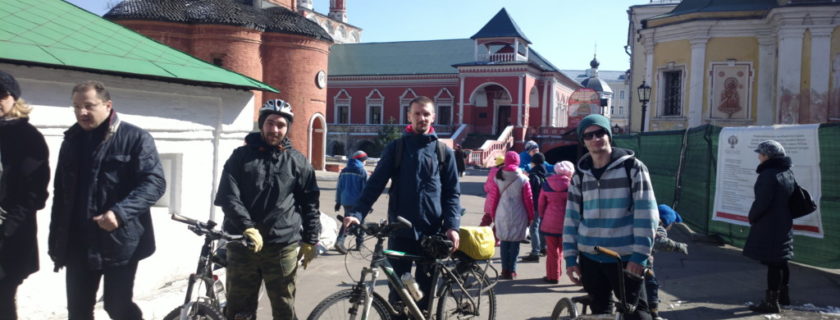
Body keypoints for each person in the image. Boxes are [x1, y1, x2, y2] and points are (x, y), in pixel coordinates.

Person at [48, 80, 166, 320]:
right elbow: (61, 194)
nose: (82, 112)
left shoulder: (135, 138)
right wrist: (56, 240)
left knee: (117, 307)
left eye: (89, 106)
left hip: (119, 242)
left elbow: (154, 183)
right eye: (76, 106)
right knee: (78, 312)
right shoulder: (71, 141)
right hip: (78, 243)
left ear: (108, 105)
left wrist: (120, 213)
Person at [343, 96, 461, 315]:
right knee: (398, 296)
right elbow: (375, 183)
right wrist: (357, 213)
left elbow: (452, 193)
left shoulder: (443, 152)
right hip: (400, 230)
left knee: (424, 296)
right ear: (409, 116)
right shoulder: (396, 148)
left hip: (431, 232)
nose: (421, 118)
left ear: (433, 117)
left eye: (426, 114)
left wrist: (452, 226)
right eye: (417, 113)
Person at [214, 99, 321, 319]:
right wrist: (247, 227)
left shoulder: (297, 162)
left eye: (281, 125)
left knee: (283, 308)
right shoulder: (240, 157)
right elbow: (228, 196)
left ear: (287, 128)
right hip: (243, 245)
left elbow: (310, 202)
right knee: (238, 310)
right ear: (262, 124)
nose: (275, 129)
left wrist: (310, 238)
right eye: (270, 123)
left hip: (281, 247)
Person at [563, 114, 658, 320]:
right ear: (583, 141)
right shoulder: (580, 175)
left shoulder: (632, 168)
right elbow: (571, 218)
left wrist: (640, 254)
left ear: (609, 135)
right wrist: (570, 258)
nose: (596, 138)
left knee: (637, 315)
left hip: (624, 258)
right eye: (589, 135)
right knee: (600, 314)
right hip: (589, 257)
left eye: (600, 133)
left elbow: (647, 212)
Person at [0, 71, 50, 320]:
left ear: (14, 99)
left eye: (2, 94)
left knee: (2, 300)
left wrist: (6, 227)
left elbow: (35, 194)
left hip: (9, 237)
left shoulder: (28, 138)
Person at [743, 140, 795, 314]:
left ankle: (771, 302)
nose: (759, 157)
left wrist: (752, 216)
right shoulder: (787, 172)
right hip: (784, 223)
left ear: (768, 156)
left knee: (774, 262)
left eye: (761, 154)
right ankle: (783, 296)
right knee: (782, 259)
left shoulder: (768, 174)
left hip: (770, 224)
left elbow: (762, 202)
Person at [488, 151, 533, 280]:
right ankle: (512, 270)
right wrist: (530, 216)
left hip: (502, 212)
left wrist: (493, 214)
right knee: (515, 244)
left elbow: (494, 198)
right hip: (519, 213)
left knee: (504, 242)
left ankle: (504, 269)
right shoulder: (523, 178)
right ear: (518, 161)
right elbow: (528, 199)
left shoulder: (498, 176)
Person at [646, 204, 689, 320]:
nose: (672, 226)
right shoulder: (659, 226)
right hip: (643, 263)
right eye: (672, 223)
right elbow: (660, 242)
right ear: (667, 221)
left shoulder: (649, 221)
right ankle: (653, 313)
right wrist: (678, 246)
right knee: (651, 285)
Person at [537, 161, 574, 284]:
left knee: (552, 250)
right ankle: (566, 272)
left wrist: (542, 216)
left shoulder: (547, 183)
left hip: (550, 221)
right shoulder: (572, 184)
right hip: (567, 222)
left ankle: (553, 276)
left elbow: (541, 203)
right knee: (565, 250)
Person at [334, 150, 368, 254]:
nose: (365, 162)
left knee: (347, 221)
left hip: (345, 201)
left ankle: (343, 241)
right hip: (358, 202)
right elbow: (365, 189)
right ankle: (356, 243)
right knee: (361, 222)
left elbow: (339, 187)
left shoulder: (344, 170)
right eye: (365, 160)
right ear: (361, 160)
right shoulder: (362, 171)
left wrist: (338, 201)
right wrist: (367, 204)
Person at [522, 152, 548, 262]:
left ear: (534, 162)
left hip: (535, 205)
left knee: (533, 228)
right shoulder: (544, 174)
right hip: (544, 204)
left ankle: (535, 252)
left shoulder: (533, 175)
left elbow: (530, 193)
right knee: (541, 227)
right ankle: (543, 247)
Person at [482, 155, 505, 246]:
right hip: (498, 200)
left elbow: (486, 187)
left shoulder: (492, 171)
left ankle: (480, 235)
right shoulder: (503, 173)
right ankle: (495, 239)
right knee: (499, 222)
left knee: (486, 219)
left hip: (489, 199)